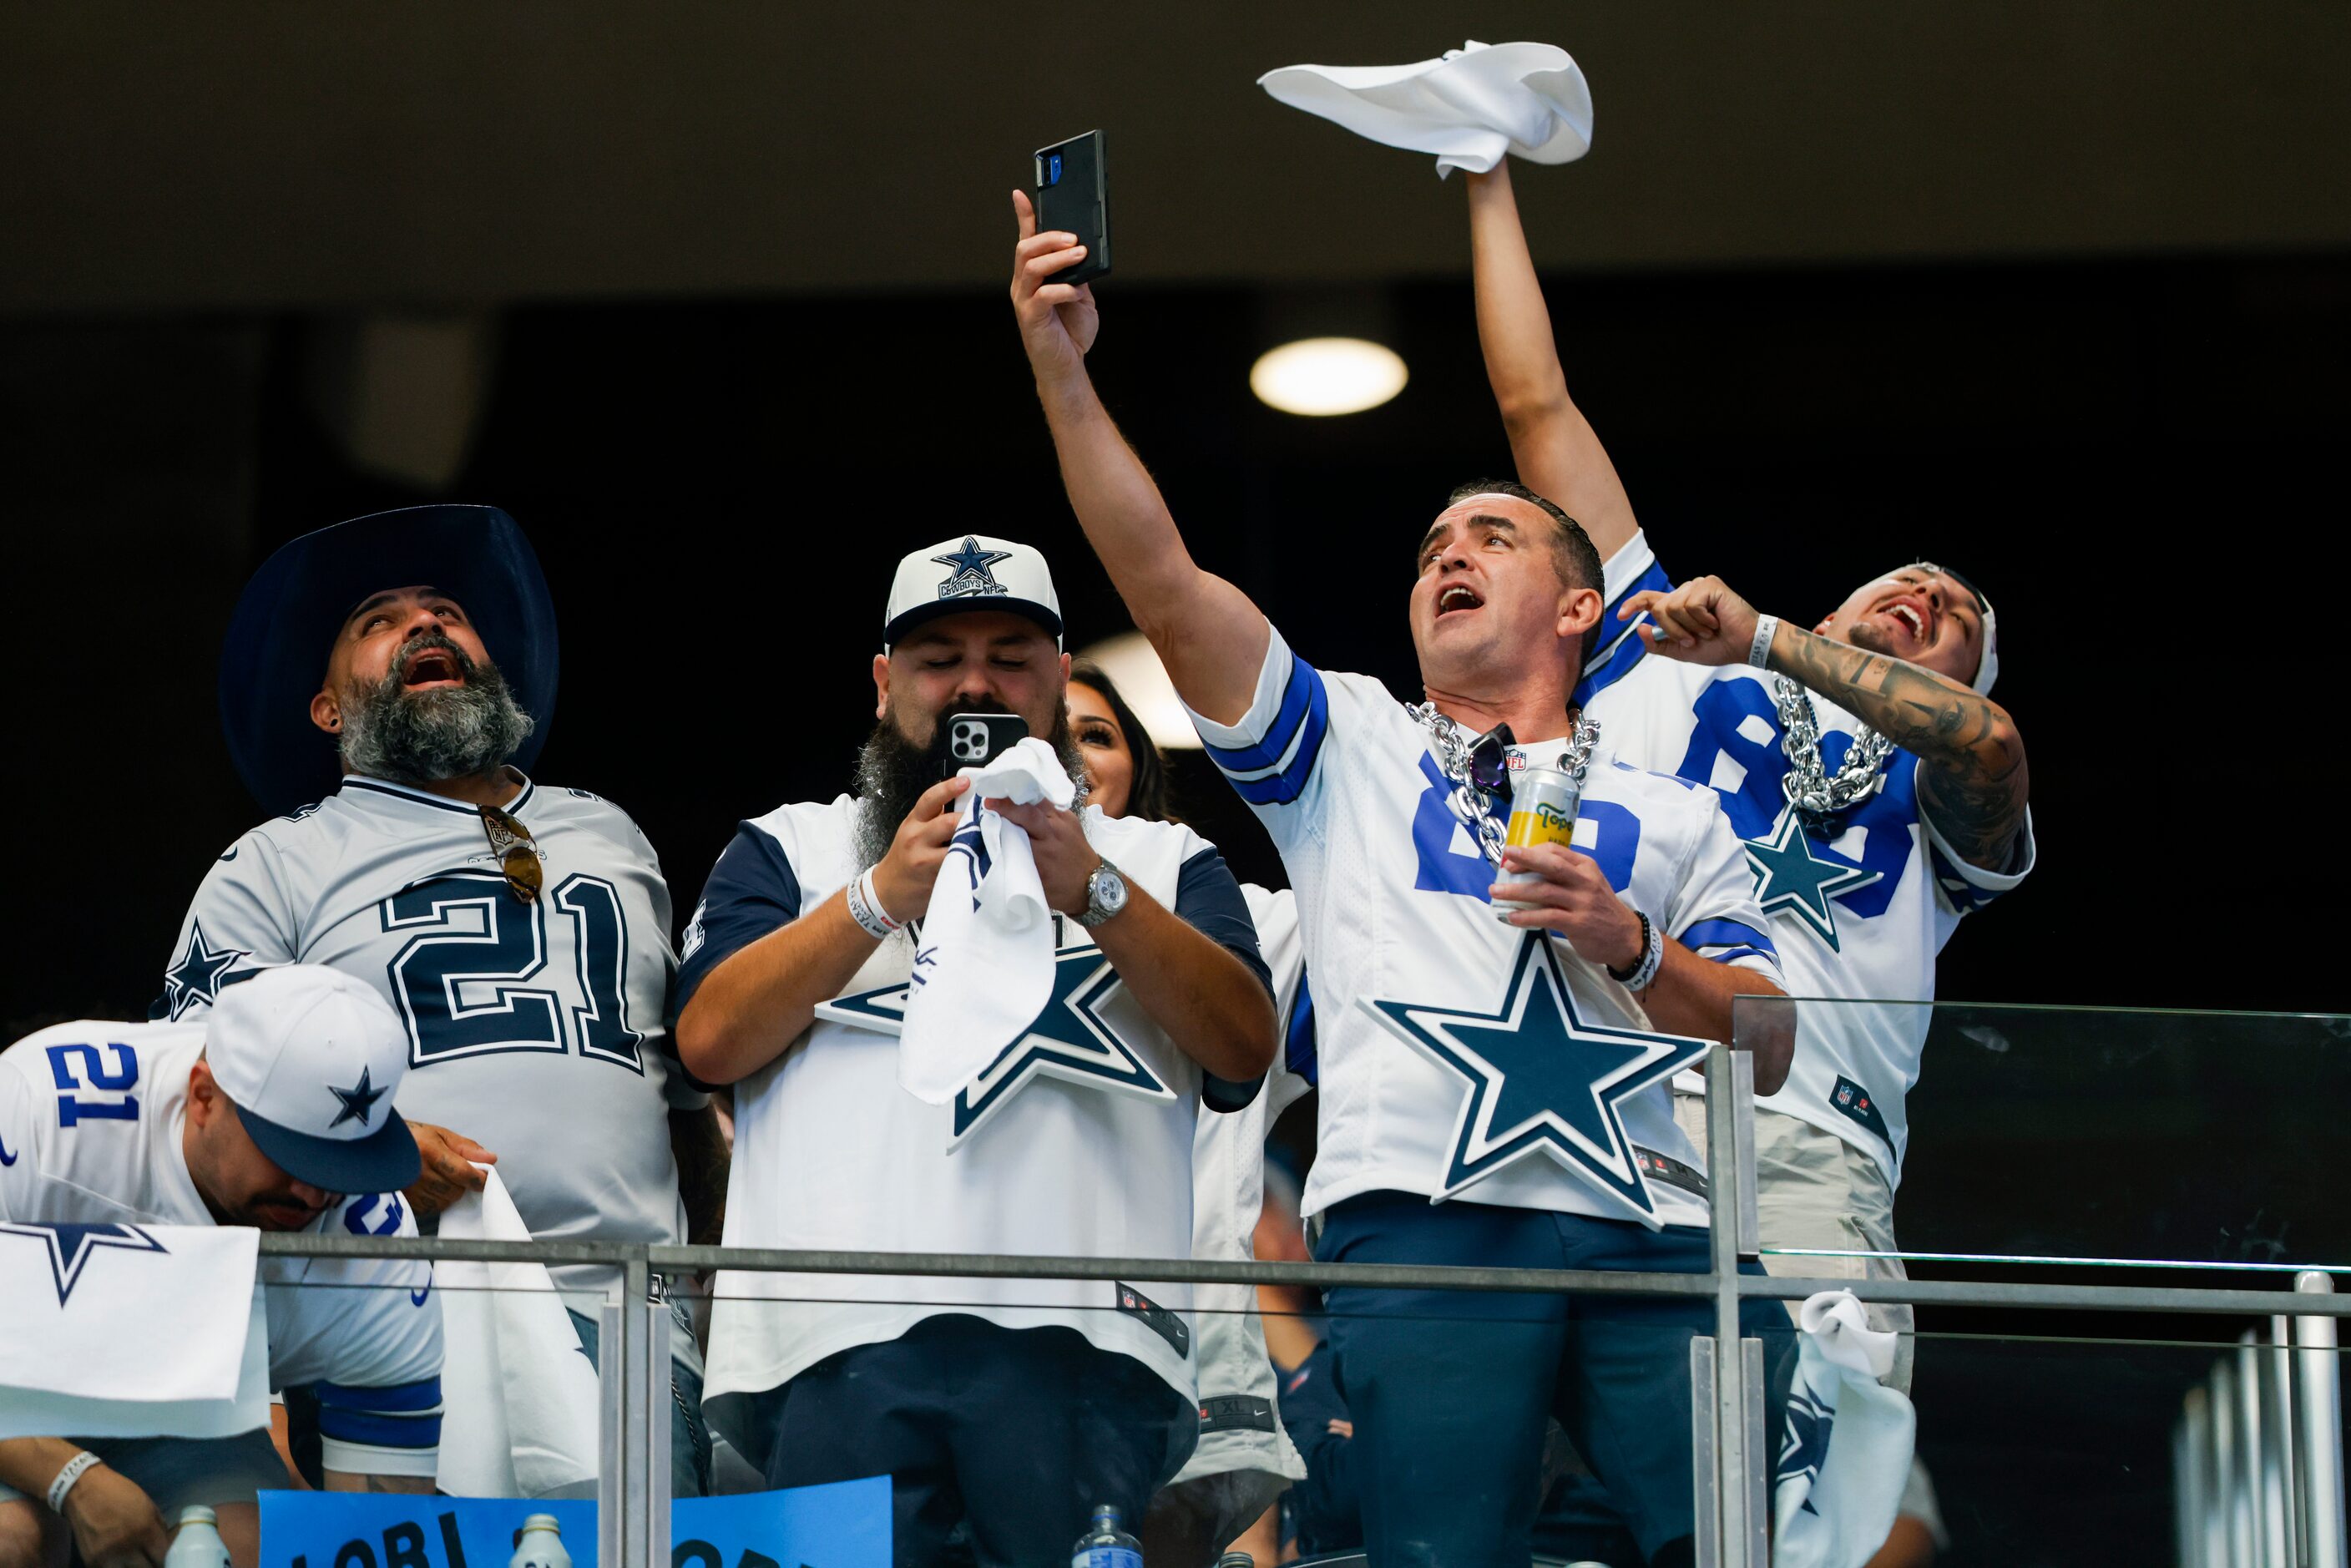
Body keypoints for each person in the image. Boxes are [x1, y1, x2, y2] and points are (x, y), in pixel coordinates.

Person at [1012, 192, 1797, 1568]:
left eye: (1491, 536)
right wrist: (1063, 369)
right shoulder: (1349, 744)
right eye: (1434, 544)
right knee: (1437, 1555)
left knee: (1732, 1545)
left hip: (1656, 1222)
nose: (1449, 551)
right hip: (1424, 1210)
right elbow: (1160, 574)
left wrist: (1631, 948)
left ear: (1577, 608)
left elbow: (1771, 1037)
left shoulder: (1675, 810)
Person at [1464, 159, 2036, 1390]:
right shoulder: (1670, 665)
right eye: (1906, 580)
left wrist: (1776, 637)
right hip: (1613, 1095)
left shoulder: (1939, 783)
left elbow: (1987, 750)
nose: (1924, 595)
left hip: (1815, 1140)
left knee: (1810, 1475)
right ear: (1843, 598)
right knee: (1608, 1487)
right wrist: (1483, 174)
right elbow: (1538, 408)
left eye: (1953, 623)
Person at [672, 537, 1277, 1565]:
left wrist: (1095, 889)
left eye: (1009, 656)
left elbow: (1241, 1046)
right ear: (882, 683)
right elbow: (709, 1043)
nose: (973, 684)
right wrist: (872, 901)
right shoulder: (789, 846)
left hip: (1091, 1346)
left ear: (1055, 677)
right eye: (938, 656)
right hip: (828, 1346)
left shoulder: (1163, 860)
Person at [154, 504, 724, 1494]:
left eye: (447, 612)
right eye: (378, 621)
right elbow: (197, 1107)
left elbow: (681, 1103)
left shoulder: (612, 835)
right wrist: (365, 1151)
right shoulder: (274, 863)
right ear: (328, 708)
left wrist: (723, 1305)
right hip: (392, 1311)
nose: (425, 627)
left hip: (624, 1310)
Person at [0, 966, 442, 1568]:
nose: (315, 1196)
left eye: (341, 1167)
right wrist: (71, 1477)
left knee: (245, 1546)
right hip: (16, 1399)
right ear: (204, 1097)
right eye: (291, 1155)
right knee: (13, 1538)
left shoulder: (379, 1241)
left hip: (181, 1423)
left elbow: (382, 1523)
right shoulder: (36, 1108)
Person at [1067, 662, 1311, 1567]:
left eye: (1098, 734)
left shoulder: (1237, 923)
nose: (1072, 752)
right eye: (1048, 729)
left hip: (1190, 1336)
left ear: (1138, 773)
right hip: (990, 1336)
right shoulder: (916, 909)